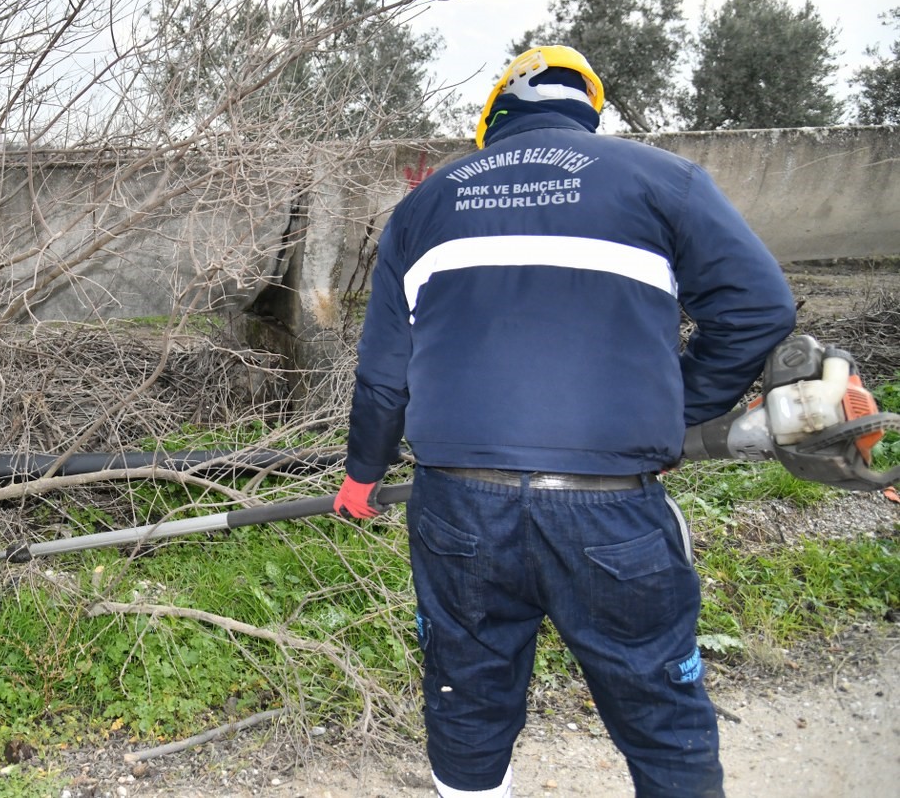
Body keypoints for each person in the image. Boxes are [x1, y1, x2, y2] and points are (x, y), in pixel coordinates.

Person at [331, 45, 797, 798]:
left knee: (466, 692)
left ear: (495, 112)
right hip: (610, 506)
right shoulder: (661, 180)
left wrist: (361, 475)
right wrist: (675, 408)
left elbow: (384, 374)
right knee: (658, 708)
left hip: (458, 506)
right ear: (589, 109)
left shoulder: (423, 204)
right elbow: (757, 308)